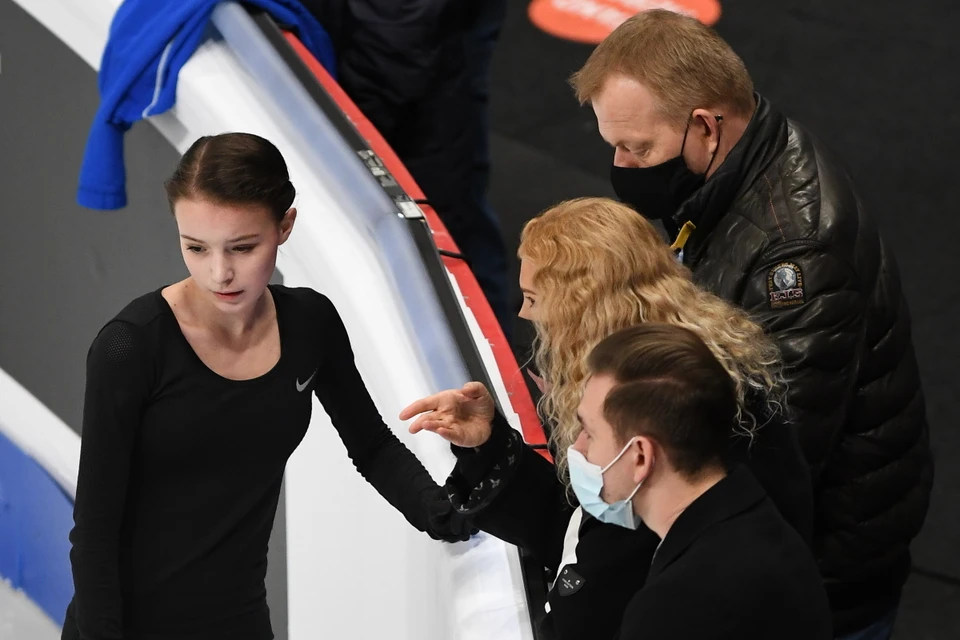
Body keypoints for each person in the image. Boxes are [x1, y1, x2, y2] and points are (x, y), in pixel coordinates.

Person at [570, 10, 933, 638]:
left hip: (819, 583)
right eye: (614, 147)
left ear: (707, 129)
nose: (623, 167)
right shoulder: (735, 172)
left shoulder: (797, 252)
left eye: (639, 148)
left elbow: (775, 450)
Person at [62, 132, 473, 640]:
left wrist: (451, 516)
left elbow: (372, 446)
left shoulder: (310, 323)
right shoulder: (130, 348)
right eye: (195, 247)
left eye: (242, 247)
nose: (220, 272)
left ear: (285, 226)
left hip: (239, 620)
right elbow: (95, 532)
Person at [401, 197, 814, 639]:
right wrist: (489, 446)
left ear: (582, 307)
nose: (523, 314)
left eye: (534, 298)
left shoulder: (669, 410)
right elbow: (586, 527)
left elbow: (604, 568)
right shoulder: (675, 375)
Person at [405, 324, 833, 639]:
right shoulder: (755, 520)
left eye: (589, 431)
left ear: (641, 456)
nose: (579, 448)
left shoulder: (674, 607)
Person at [299, 0, 514, 342]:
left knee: (445, 238)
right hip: (400, 57)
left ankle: (493, 366)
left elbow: (396, 38)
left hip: (405, 89)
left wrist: (353, 133)